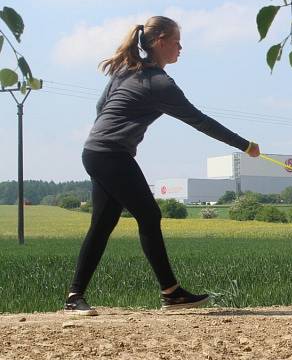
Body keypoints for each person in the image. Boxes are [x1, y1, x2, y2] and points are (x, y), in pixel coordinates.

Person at [65, 16, 260, 316]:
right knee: (149, 214)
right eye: (176, 42)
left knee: (103, 224)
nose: (181, 48)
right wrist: (245, 145)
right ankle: (171, 292)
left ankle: (74, 297)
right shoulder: (159, 83)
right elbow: (200, 121)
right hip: (111, 155)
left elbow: (100, 107)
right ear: (159, 42)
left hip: (95, 151)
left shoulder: (126, 69)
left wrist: (111, 129)